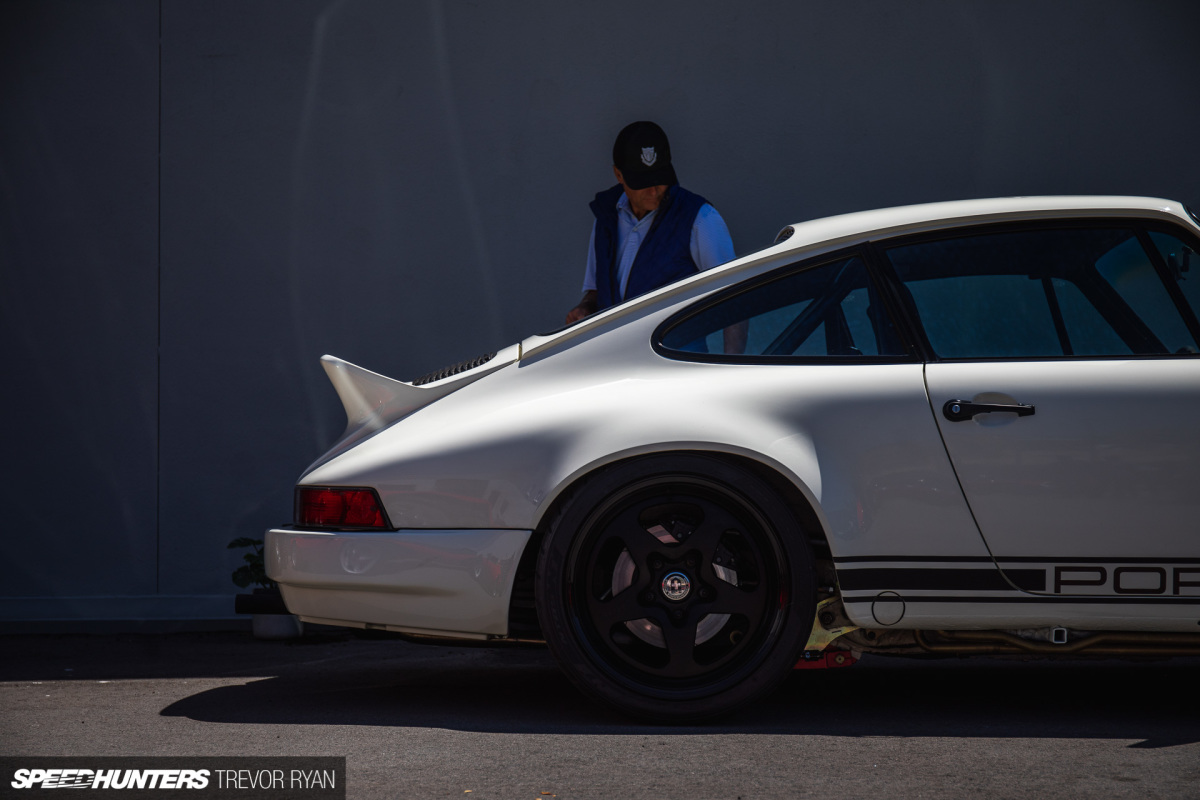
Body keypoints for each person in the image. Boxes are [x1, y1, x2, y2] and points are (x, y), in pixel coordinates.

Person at [565, 121, 737, 333]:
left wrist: (731, 359)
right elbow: (596, 292)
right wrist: (584, 308)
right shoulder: (605, 218)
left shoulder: (700, 218)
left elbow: (733, 298)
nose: (654, 190)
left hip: (675, 360)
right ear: (618, 175)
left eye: (660, 179)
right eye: (643, 183)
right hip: (614, 358)